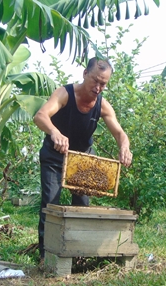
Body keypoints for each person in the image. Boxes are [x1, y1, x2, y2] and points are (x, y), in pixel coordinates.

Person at [33, 57, 133, 262]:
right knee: (51, 203)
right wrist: (54, 132)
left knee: (82, 206)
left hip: (82, 162)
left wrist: (125, 147)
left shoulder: (103, 105)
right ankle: (46, 254)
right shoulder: (64, 93)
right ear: (85, 74)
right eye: (95, 81)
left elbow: (120, 133)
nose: (98, 87)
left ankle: (78, 252)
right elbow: (40, 115)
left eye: (103, 84)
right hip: (55, 157)